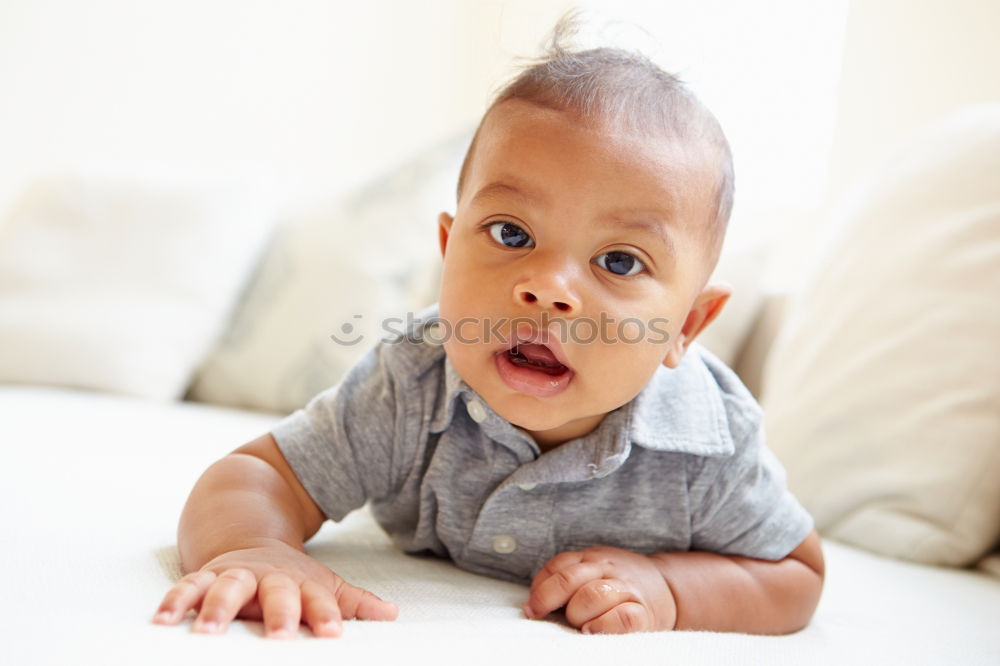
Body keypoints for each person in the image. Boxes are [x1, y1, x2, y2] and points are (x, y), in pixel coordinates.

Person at [152, 19, 824, 639]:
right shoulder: (412, 384)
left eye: (618, 261)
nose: (546, 288)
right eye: (511, 233)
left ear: (688, 325)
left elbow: (796, 574)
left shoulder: (706, 446)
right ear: (448, 251)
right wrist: (255, 550)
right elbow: (256, 476)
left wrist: (669, 588)